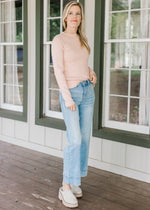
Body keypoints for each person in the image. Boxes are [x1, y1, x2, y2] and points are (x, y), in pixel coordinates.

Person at [51, 1, 97, 208]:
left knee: (84, 139)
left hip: (87, 92)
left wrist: (91, 72)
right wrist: (67, 97)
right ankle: (65, 187)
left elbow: (80, 63)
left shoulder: (82, 39)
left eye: (78, 13)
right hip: (71, 94)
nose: (74, 17)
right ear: (65, 17)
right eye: (71, 13)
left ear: (81, 18)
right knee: (75, 140)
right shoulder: (59, 39)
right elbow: (59, 70)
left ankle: (75, 180)